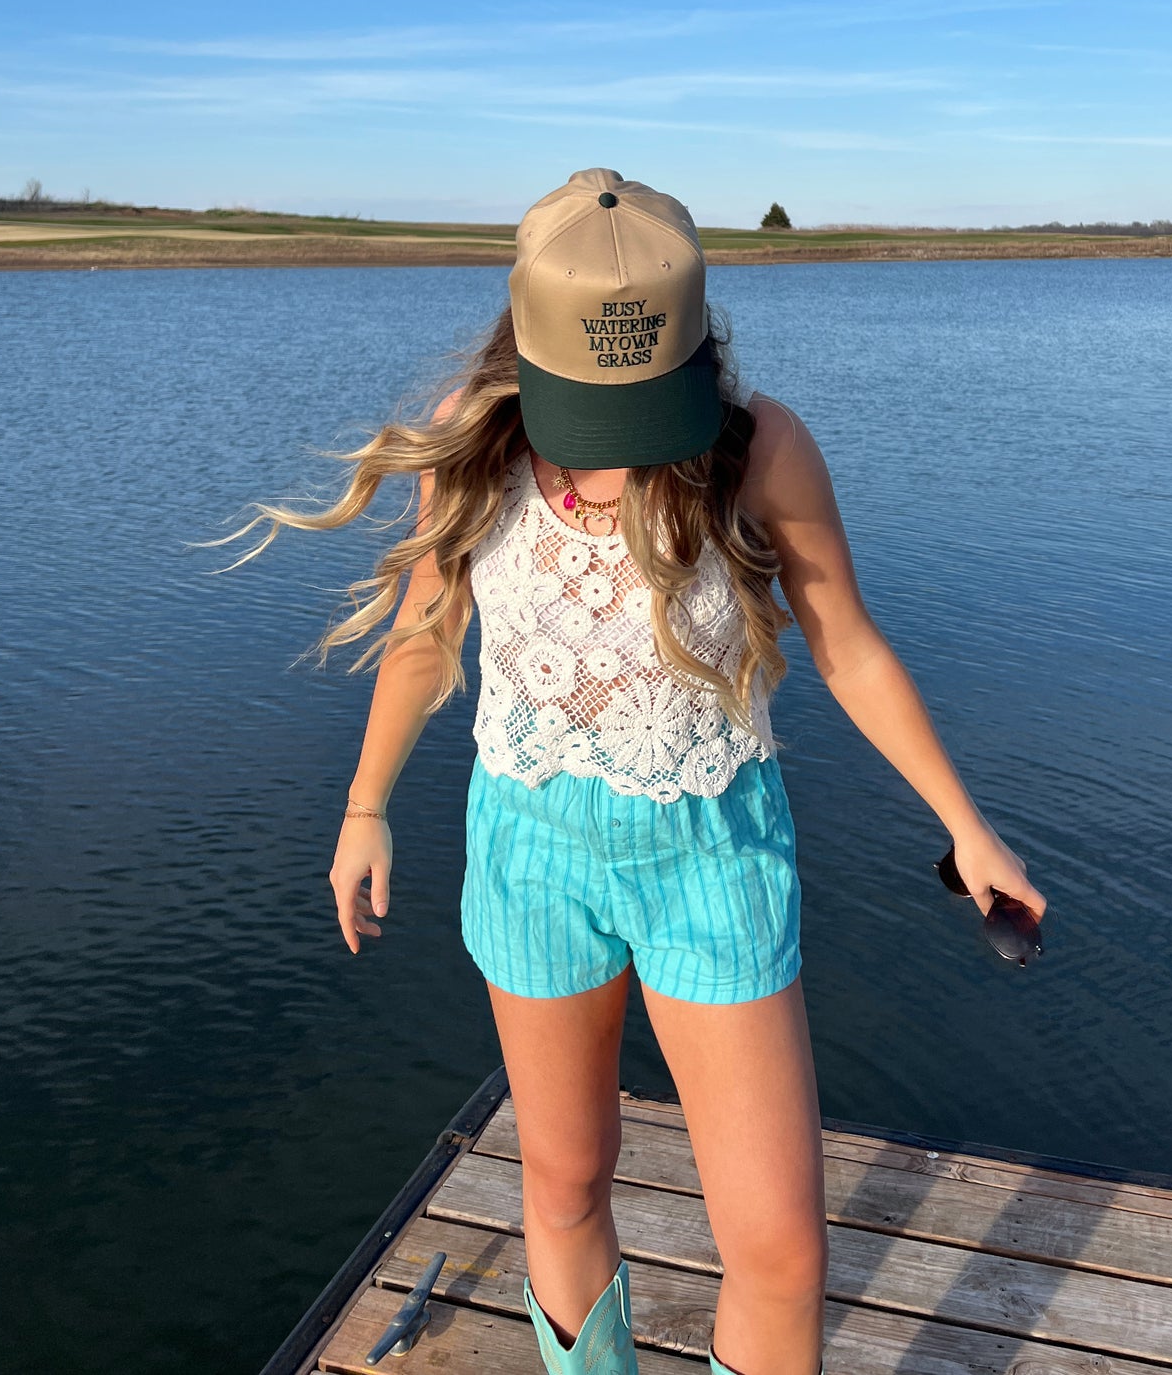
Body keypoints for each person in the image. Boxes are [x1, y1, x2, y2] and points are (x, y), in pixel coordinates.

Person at [234, 168, 1047, 1375]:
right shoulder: (478, 435)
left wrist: (963, 823)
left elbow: (848, 644)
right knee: (562, 1180)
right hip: (530, 846)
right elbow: (422, 634)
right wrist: (364, 809)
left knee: (776, 1246)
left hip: (710, 852)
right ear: (526, 339)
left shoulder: (756, 446)